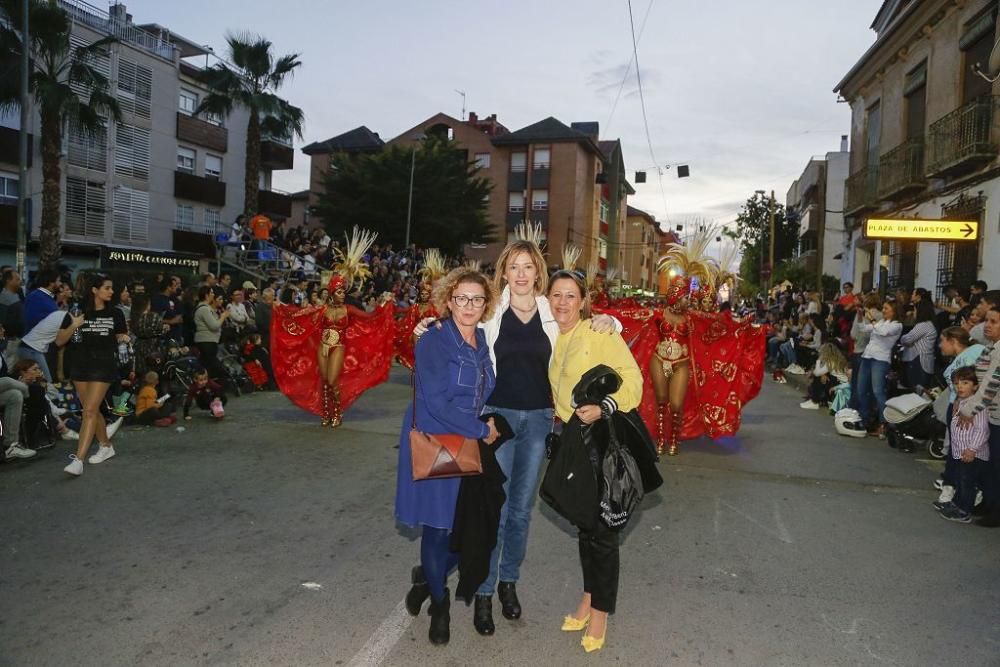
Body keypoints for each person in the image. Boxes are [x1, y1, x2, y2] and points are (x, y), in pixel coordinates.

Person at [395, 267, 500, 646]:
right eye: (461, 298)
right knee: (439, 530)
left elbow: (481, 390)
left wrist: (484, 424)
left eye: (476, 299)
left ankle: (427, 579)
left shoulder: (483, 338)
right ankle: (440, 609)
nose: (468, 306)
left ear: (486, 304)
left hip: (467, 442)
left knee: (474, 530)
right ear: (448, 300)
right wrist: (481, 430)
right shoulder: (434, 341)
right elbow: (437, 404)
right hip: (437, 441)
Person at [546, 269, 646, 653]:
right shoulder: (556, 337)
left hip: (604, 439)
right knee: (585, 526)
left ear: (584, 301)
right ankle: (589, 597)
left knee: (604, 532)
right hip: (574, 439)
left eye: (571, 296)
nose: (563, 303)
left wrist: (604, 407)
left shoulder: (600, 332)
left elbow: (633, 380)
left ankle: (601, 612)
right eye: (556, 295)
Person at [271, 228, 395, 427]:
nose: (341, 294)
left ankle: (337, 413)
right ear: (331, 292)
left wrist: (384, 304)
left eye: (342, 291)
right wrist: (281, 308)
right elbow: (300, 314)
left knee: (333, 382)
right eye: (338, 291)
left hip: (338, 347)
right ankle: (326, 413)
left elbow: (371, 317)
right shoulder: (322, 309)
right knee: (324, 383)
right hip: (323, 347)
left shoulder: (349, 309)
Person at [60, 274, 129, 477]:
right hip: (80, 365)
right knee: (92, 409)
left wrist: (123, 338)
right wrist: (74, 325)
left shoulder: (116, 313)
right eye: (107, 288)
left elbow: (120, 336)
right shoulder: (78, 311)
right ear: (94, 290)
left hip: (104, 365)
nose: (111, 291)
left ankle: (78, 460)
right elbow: (60, 341)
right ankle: (106, 446)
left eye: (111, 288)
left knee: (89, 411)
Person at [955, 305, 1000, 527]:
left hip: (996, 414)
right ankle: (990, 503)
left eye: (994, 322)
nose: (988, 326)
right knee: (989, 463)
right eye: (988, 321)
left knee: (996, 464)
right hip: (991, 415)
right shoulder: (991, 347)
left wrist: (968, 410)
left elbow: (990, 386)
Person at [938, 366, 990, 523]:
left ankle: (964, 511)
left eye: (965, 382)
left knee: (968, 482)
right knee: (961, 480)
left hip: (972, 454)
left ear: (975, 386)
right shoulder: (960, 403)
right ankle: (957, 504)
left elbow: (982, 430)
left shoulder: (977, 407)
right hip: (961, 452)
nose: (959, 386)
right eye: (956, 383)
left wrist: (972, 449)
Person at [854, 301, 903, 437]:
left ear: (894, 310)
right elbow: (863, 328)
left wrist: (873, 320)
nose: (884, 310)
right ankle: (864, 420)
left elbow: (883, 333)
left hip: (880, 360)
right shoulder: (881, 321)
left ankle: (884, 424)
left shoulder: (897, 325)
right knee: (861, 390)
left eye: (886, 308)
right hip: (867, 356)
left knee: (878, 391)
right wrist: (860, 316)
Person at [193, 286, 230, 383]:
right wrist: (223, 316)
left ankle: (210, 387)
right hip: (206, 341)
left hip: (211, 341)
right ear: (206, 295)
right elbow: (214, 325)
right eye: (212, 293)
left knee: (208, 366)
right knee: (213, 364)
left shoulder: (208, 308)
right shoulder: (204, 309)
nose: (213, 295)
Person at [899, 299, 938, 390]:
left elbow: (908, 339)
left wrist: (902, 338)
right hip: (923, 362)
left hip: (920, 362)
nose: (913, 313)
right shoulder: (929, 324)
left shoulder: (923, 325)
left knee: (917, 392)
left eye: (915, 310)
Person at [801, 342, 849, 410]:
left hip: (840, 384)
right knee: (821, 376)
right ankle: (813, 400)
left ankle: (815, 401)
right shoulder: (834, 359)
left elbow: (817, 373)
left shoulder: (832, 361)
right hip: (837, 381)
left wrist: (818, 360)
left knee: (818, 377)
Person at [130, 294, 167, 380]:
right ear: (146, 304)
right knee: (154, 375)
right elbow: (159, 331)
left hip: (139, 348)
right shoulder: (153, 316)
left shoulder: (134, 318)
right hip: (153, 348)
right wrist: (164, 329)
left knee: (143, 377)